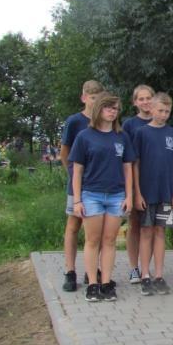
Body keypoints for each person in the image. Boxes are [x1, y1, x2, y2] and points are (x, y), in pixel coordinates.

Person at [69, 93, 136, 302]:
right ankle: (92, 283)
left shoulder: (122, 137)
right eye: (109, 107)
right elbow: (77, 171)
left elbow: (128, 169)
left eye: (116, 108)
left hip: (116, 196)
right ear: (99, 109)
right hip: (91, 195)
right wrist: (78, 200)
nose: (112, 111)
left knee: (110, 241)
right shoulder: (85, 136)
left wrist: (129, 195)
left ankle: (106, 282)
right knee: (92, 240)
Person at [132, 92, 173, 296]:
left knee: (160, 231)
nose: (163, 114)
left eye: (167, 111)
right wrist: (137, 193)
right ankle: (145, 275)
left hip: (166, 193)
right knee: (146, 232)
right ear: (151, 109)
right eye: (160, 110)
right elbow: (135, 165)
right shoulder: (141, 133)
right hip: (146, 192)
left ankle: (159, 275)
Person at [59, 79, 103, 292]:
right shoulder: (74, 121)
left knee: (95, 230)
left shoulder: (104, 122)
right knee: (73, 225)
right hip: (78, 183)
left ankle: (91, 270)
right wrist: (73, 175)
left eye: (98, 99)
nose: (95, 103)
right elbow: (64, 153)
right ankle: (70, 271)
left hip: (98, 184)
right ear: (84, 97)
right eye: (92, 98)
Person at [121, 84, 155, 285]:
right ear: (135, 102)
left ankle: (146, 268)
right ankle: (134, 267)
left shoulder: (160, 122)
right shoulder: (129, 125)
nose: (145, 102)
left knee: (150, 228)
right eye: (141, 99)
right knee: (135, 225)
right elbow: (126, 157)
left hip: (156, 183)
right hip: (135, 182)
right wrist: (130, 189)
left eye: (148, 98)